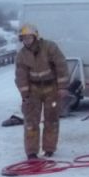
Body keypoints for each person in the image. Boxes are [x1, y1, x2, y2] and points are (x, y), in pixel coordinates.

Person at [14, 23, 69, 160]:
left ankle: (49, 148)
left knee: (51, 120)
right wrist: (24, 95)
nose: (26, 41)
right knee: (31, 122)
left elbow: (61, 65)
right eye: (24, 38)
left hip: (52, 89)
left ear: (35, 37)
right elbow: (21, 76)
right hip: (34, 90)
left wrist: (62, 87)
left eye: (29, 38)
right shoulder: (21, 56)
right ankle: (31, 151)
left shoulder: (49, 47)